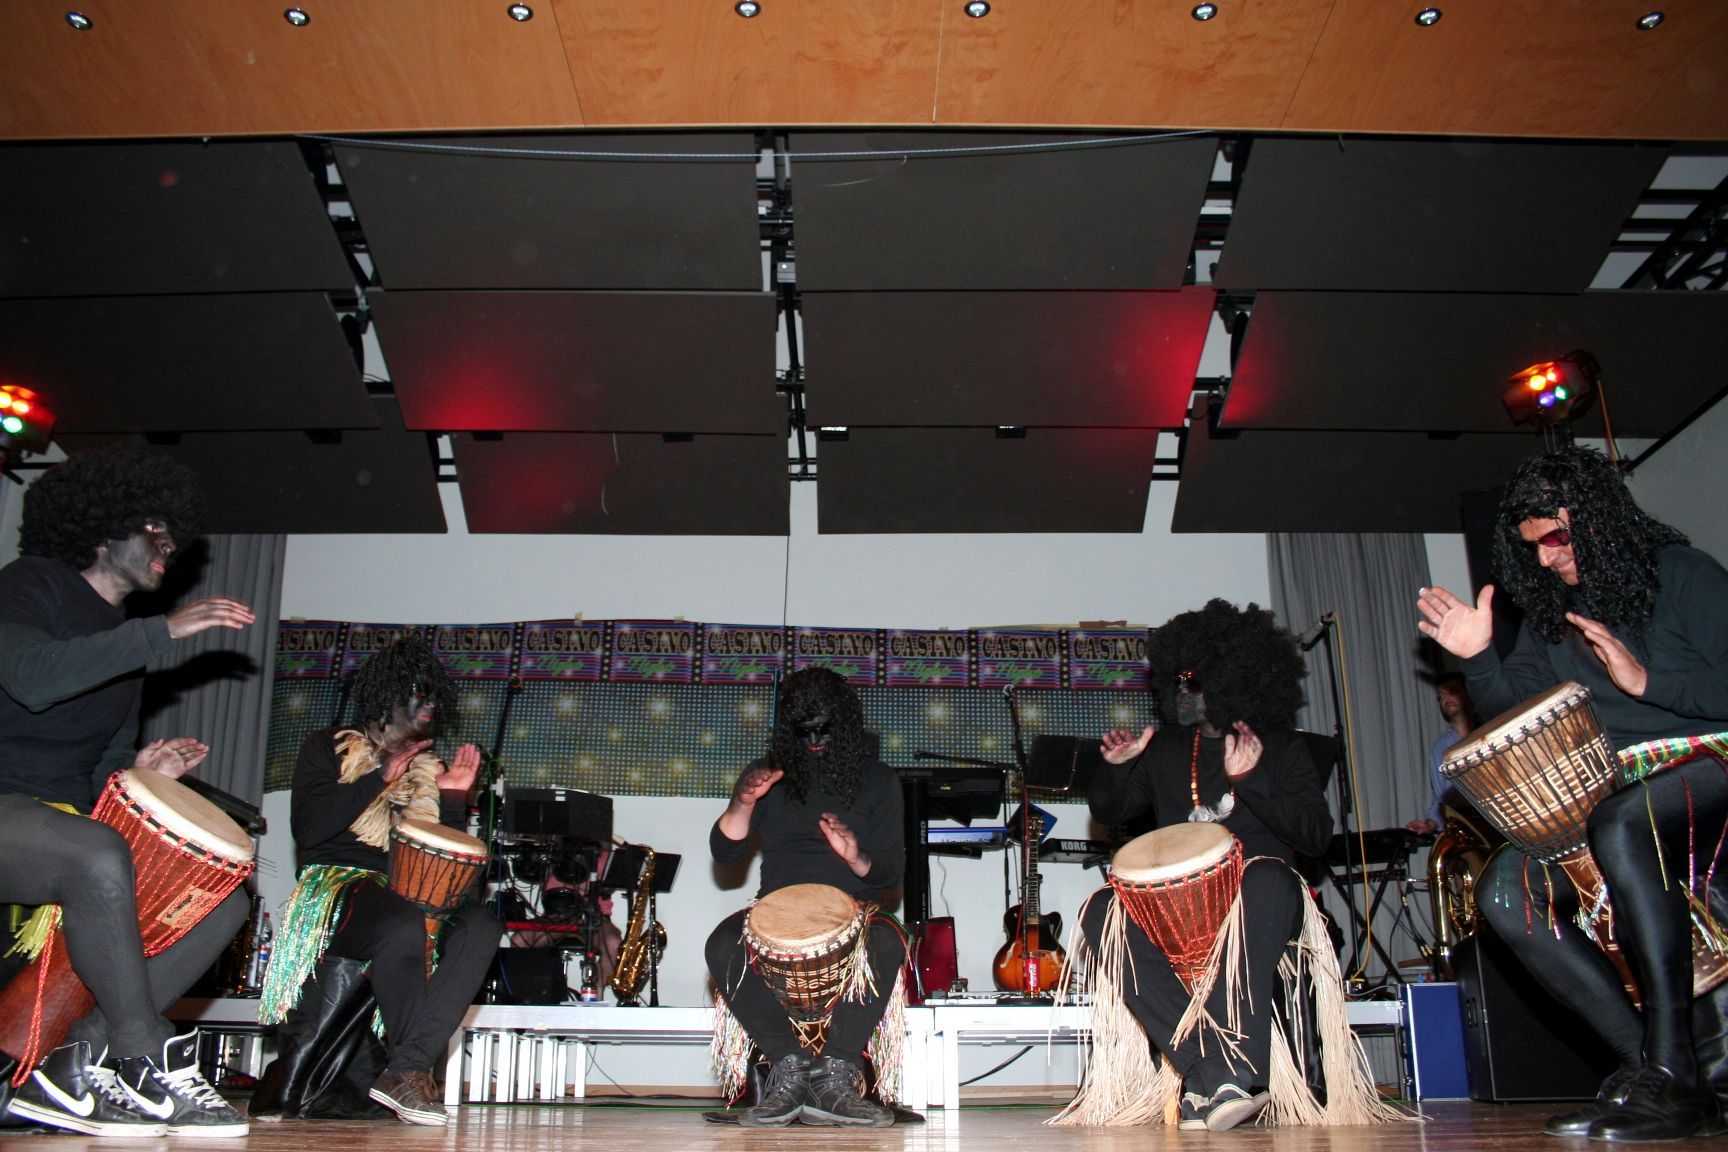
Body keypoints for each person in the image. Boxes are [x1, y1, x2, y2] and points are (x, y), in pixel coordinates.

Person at [1418, 445, 1728, 1141]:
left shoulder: (1683, 574)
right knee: (1503, 891)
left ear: (1597, 518)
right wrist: (1479, 658)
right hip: (1623, 792)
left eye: (1557, 538)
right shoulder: (1552, 618)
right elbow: (1515, 712)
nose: (1548, 558)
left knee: (1620, 824)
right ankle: (1649, 1068)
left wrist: (1647, 683)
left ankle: (1675, 1069)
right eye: (1534, 547)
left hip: (1712, 763)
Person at [1063, 599, 1398, 1132]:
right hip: (1180, 911)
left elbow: (1315, 837)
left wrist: (1252, 781)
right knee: (1103, 908)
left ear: (1231, 679)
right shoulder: (1167, 749)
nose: (1181, 690)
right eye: (1175, 679)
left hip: (1262, 902)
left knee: (1265, 876)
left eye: (1192, 679)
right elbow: (1110, 810)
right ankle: (1214, 1074)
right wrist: (1115, 769)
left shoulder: (1281, 747)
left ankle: (1225, 1072)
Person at [0, 447, 254, 1138]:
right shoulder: (31, 584)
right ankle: (147, 1054)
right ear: (103, 528)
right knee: (94, 853)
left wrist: (143, 773)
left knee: (217, 901)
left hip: (61, 825)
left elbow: (100, 773)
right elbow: (30, 678)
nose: (169, 545)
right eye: (155, 528)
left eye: (175, 536)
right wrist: (163, 631)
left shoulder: (125, 645)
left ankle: (75, 1063)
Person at [256, 634, 501, 1126]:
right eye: (420, 692)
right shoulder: (327, 747)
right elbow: (309, 830)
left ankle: (406, 1068)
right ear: (387, 694)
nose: (431, 704)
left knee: (481, 925)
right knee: (402, 922)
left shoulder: (428, 771)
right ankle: (407, 1072)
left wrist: (454, 800)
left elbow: (449, 872)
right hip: (339, 885)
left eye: (436, 696)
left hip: (405, 893)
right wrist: (380, 776)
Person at [706, 667, 905, 1128]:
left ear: (845, 722)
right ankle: (789, 1069)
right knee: (722, 945)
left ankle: (835, 1075)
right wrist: (742, 803)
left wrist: (856, 857)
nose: (814, 741)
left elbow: (891, 871)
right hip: (776, 910)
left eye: (824, 729)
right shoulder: (768, 774)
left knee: (887, 940)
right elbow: (725, 852)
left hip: (854, 910)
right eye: (803, 731)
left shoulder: (877, 779)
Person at [1405, 673, 1480, 835]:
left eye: (1453, 691)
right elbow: (1440, 799)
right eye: (1441, 696)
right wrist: (1429, 825)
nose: (1446, 698)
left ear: (1469, 696)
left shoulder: (1489, 732)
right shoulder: (1441, 746)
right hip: (1462, 826)